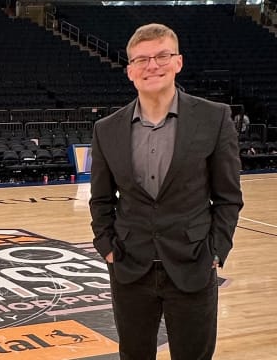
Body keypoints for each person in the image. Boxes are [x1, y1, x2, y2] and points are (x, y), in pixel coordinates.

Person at [89, 23, 243, 360]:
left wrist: (216, 250)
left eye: (162, 55)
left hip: (193, 265)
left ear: (178, 62)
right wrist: (107, 248)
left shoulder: (214, 118)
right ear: (129, 71)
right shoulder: (106, 129)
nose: (152, 65)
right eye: (141, 60)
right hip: (130, 268)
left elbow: (228, 196)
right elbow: (100, 200)